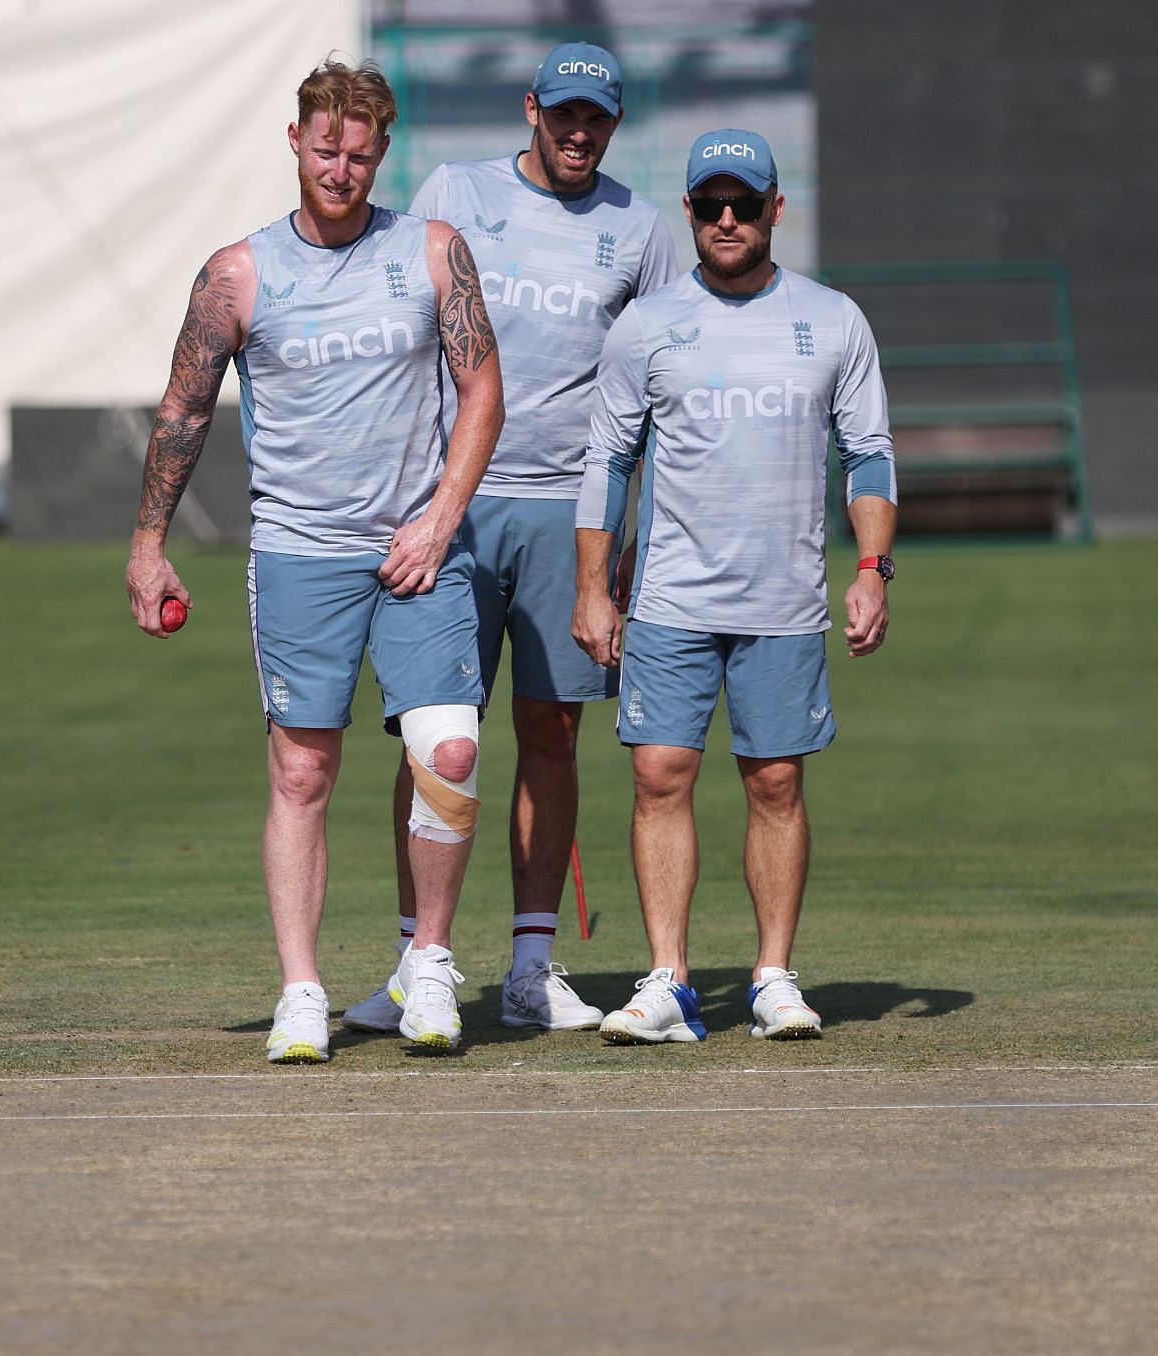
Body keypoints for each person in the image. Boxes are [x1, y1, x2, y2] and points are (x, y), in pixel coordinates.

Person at [124, 58, 504, 1063]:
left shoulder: (432, 251)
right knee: (303, 772)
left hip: (419, 548)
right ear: (295, 141)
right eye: (326, 146)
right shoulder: (237, 274)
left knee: (450, 751)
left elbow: (482, 393)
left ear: (384, 152)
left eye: (361, 151)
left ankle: (427, 961)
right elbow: (183, 411)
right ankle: (301, 990)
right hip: (299, 551)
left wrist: (440, 518)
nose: (342, 166)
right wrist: (149, 542)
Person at [340, 43, 678, 1036]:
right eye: (564, 113)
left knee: (551, 734)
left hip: (570, 516)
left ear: (614, 125)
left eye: (598, 119)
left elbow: (658, 397)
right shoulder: (456, 190)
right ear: (532, 109)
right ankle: (416, 964)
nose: (579, 132)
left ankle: (532, 969)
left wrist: (622, 544)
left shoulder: (642, 229)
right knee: (432, 736)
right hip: (448, 504)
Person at [571, 128, 896, 1043]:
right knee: (658, 774)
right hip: (671, 598)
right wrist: (594, 587)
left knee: (777, 783)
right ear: (688, 212)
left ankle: (772, 978)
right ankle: (670, 981)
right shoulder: (646, 325)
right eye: (710, 204)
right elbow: (608, 460)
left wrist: (873, 570)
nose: (726, 219)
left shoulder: (834, 320)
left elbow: (869, 459)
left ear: (774, 211)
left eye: (744, 205)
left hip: (785, 602)